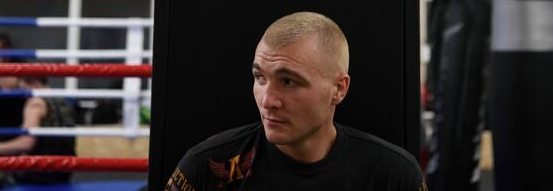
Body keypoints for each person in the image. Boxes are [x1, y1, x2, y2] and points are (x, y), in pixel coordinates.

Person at [166, 11, 427, 191]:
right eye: (260, 77)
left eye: (289, 82)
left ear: (338, 89)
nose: (267, 100)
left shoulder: (393, 176)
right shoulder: (208, 167)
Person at [0, 75, 76, 184]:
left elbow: (26, 143)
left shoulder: (35, 103)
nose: (24, 95)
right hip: (65, 168)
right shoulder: (62, 101)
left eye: (24, 89)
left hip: (41, 172)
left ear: (34, 83)